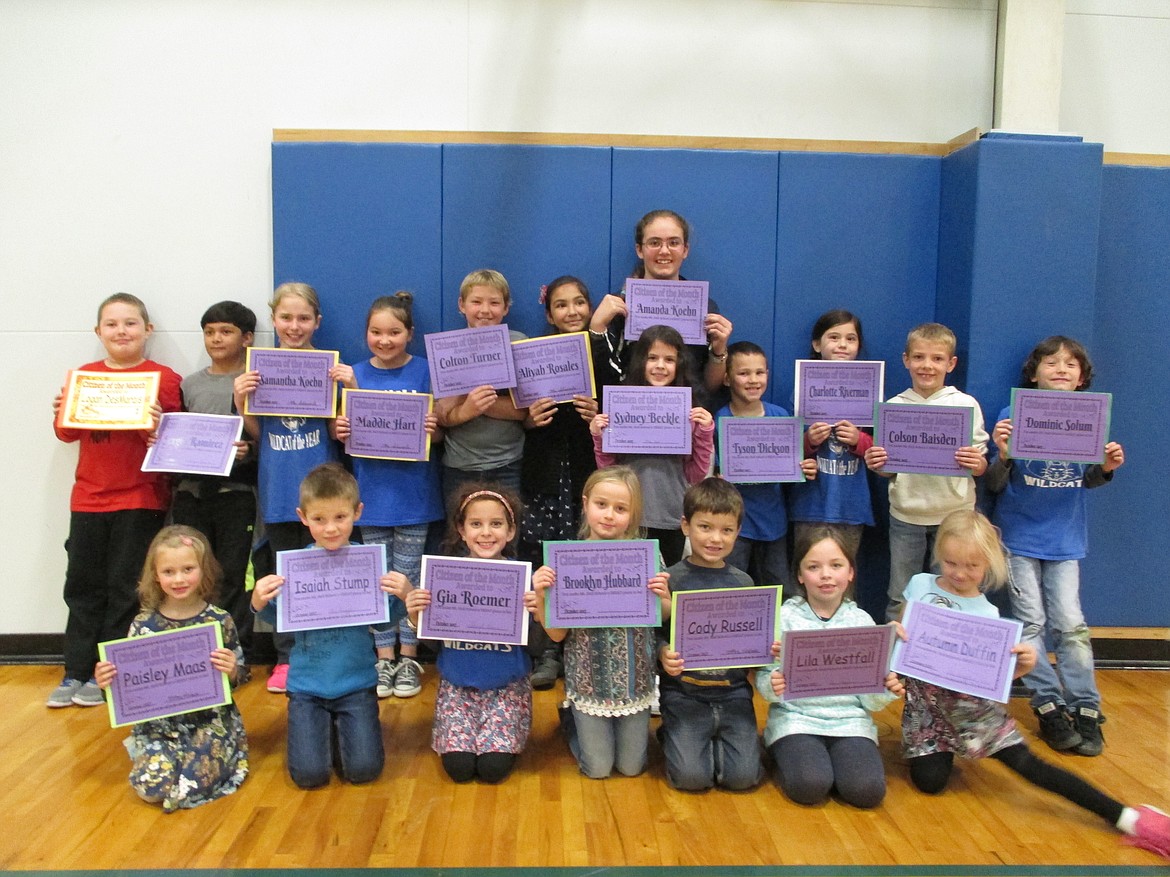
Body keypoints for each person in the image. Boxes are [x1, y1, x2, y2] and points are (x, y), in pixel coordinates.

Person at [898, 509, 1170, 858]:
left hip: (971, 711)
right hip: (925, 712)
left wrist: (1019, 669)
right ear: (939, 556)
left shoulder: (986, 615)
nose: (960, 573)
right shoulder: (920, 585)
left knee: (1030, 767)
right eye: (951, 563)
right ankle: (946, 748)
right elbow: (903, 637)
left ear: (988, 565)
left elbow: (988, 683)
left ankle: (1127, 816)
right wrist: (896, 639)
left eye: (971, 566)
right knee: (929, 783)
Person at [987, 336, 1126, 756]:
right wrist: (1004, 454)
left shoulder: (1091, 419)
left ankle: (1085, 707)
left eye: (1071, 364)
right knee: (1031, 624)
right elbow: (993, 484)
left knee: (1070, 625)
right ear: (1034, 373)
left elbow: (1086, 479)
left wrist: (1107, 467)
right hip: (1018, 537)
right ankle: (1047, 706)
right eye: (1052, 362)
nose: (1061, 369)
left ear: (1082, 378)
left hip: (1065, 541)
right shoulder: (1012, 415)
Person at [49, 293, 183, 709]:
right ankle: (75, 669)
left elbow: (174, 441)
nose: (121, 331)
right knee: (82, 586)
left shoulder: (164, 378)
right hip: (88, 498)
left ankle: (110, 671)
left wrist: (159, 425)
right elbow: (66, 433)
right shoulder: (84, 377)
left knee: (126, 587)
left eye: (130, 323)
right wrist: (62, 407)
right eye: (112, 324)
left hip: (141, 497)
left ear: (148, 329)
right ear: (98, 332)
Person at [250, 463, 407, 789]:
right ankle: (325, 731)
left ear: (357, 512)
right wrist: (258, 603)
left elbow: (384, 623)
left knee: (364, 771)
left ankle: (340, 732)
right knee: (309, 776)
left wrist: (402, 595)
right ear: (303, 517)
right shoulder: (296, 567)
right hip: (307, 687)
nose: (331, 528)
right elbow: (281, 621)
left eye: (340, 517)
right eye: (319, 519)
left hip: (356, 684)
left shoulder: (368, 563)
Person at [233, 282, 355, 694]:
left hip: (325, 494)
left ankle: (330, 652)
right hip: (279, 490)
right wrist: (240, 402)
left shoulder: (330, 369)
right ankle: (288, 656)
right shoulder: (259, 370)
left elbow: (345, 430)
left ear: (317, 322)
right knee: (286, 574)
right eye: (286, 317)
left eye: (304, 318)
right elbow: (256, 433)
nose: (295, 325)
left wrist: (349, 393)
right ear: (273, 320)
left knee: (328, 573)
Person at [334, 292, 444, 700]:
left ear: (410, 334)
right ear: (366, 334)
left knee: (408, 578)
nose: (385, 339)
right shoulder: (352, 374)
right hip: (370, 497)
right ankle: (383, 657)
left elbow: (444, 428)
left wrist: (435, 427)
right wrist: (339, 429)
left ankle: (409, 656)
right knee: (378, 579)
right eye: (376, 332)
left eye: (394, 332)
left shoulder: (427, 372)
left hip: (414, 495)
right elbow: (339, 429)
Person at [530, 466, 672, 779]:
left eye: (621, 509)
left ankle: (594, 725)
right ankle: (571, 719)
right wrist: (541, 596)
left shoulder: (648, 557)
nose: (609, 515)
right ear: (585, 504)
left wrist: (663, 597)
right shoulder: (564, 561)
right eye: (601, 504)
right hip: (588, 681)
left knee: (632, 767)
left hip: (635, 680)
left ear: (633, 514)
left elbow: (662, 615)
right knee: (597, 768)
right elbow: (555, 635)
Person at [94, 525, 248, 811]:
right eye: (169, 572)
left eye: (188, 569)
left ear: (203, 570)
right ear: (155, 575)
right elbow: (129, 690)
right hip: (159, 728)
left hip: (210, 723)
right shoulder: (142, 625)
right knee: (151, 788)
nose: (179, 579)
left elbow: (239, 676)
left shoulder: (219, 620)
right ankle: (170, 764)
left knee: (190, 782)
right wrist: (107, 684)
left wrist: (233, 671)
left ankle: (202, 765)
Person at [519, 276, 621, 689]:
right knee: (544, 559)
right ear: (548, 314)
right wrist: (529, 418)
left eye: (580, 302)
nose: (571, 311)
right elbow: (515, 407)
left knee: (581, 558)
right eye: (561, 305)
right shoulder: (533, 354)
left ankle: (579, 644)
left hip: (586, 470)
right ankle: (545, 651)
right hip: (543, 471)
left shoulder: (602, 348)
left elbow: (625, 397)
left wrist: (599, 410)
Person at [756, 525, 903, 808]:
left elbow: (870, 703)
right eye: (814, 566)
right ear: (800, 575)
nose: (826, 575)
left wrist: (887, 689)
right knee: (809, 786)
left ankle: (829, 762)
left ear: (850, 572)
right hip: (795, 721)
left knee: (867, 791)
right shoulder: (784, 617)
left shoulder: (862, 622)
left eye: (836, 565)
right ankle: (786, 755)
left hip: (850, 723)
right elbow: (765, 682)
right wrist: (774, 683)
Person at [402, 483, 535, 783]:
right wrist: (415, 614)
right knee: (459, 769)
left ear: (511, 532)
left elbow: (537, 647)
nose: (486, 533)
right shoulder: (445, 578)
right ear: (461, 530)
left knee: (492, 770)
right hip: (457, 689)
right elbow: (435, 646)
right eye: (476, 524)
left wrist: (538, 612)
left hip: (506, 689)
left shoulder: (522, 579)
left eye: (496, 524)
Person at [864, 322, 988, 621]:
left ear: (951, 363)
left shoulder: (965, 404)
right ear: (906, 360)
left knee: (950, 595)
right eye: (918, 357)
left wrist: (977, 463)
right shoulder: (893, 407)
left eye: (937, 358)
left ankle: (940, 662)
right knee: (900, 593)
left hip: (955, 516)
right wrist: (878, 465)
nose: (927, 366)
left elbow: (982, 465)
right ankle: (896, 663)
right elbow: (889, 471)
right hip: (907, 515)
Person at [656, 477, 763, 791]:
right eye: (705, 527)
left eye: (726, 530)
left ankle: (712, 746)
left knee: (744, 779)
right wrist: (662, 653)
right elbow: (654, 635)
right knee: (690, 779)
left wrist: (765, 648)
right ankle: (676, 735)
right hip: (684, 695)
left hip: (733, 695)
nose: (716, 538)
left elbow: (752, 645)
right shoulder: (670, 579)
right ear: (686, 526)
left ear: (737, 532)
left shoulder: (744, 583)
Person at [171, 300, 259, 668]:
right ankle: (193, 655)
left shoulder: (255, 381)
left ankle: (235, 656)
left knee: (234, 575)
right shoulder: (189, 384)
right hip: (192, 494)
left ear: (247, 338)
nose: (216, 338)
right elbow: (177, 437)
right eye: (209, 332)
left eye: (226, 331)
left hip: (236, 495)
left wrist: (247, 451)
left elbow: (261, 439)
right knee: (191, 572)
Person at [589, 325, 715, 566]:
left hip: (670, 515)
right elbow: (608, 471)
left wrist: (705, 432)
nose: (660, 366)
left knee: (662, 587)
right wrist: (598, 436)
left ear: (679, 364)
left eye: (669, 359)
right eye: (652, 358)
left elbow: (695, 474)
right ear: (640, 361)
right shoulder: (622, 404)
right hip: (626, 516)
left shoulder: (689, 410)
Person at [589, 209, 733, 405]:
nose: (664, 251)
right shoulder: (618, 306)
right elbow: (603, 380)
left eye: (673, 243)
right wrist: (596, 328)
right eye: (654, 243)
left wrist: (719, 349)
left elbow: (707, 386)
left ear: (685, 249)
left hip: (684, 417)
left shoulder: (704, 307)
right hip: (630, 414)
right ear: (639, 250)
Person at [715, 340, 817, 593]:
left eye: (759, 373)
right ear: (727, 379)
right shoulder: (719, 421)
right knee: (732, 588)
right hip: (734, 526)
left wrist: (804, 468)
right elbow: (711, 472)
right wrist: (717, 479)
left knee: (779, 589)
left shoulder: (781, 417)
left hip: (774, 523)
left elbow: (794, 465)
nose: (753, 380)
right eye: (743, 373)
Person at [434, 269, 528, 500]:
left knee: (505, 531)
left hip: (509, 463)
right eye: (476, 302)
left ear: (506, 307)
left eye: (494, 303)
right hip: (459, 464)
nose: (485, 310)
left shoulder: (519, 343)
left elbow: (525, 411)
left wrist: (480, 402)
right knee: (459, 534)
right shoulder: (447, 348)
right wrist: (467, 410)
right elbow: (442, 414)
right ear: (461, 305)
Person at [789, 310, 875, 557]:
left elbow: (883, 451)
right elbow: (785, 448)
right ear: (817, 344)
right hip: (811, 503)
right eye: (834, 337)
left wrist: (859, 440)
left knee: (843, 573)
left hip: (851, 503)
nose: (842, 345)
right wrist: (809, 440)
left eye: (851, 339)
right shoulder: (802, 389)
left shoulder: (869, 389)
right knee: (806, 569)